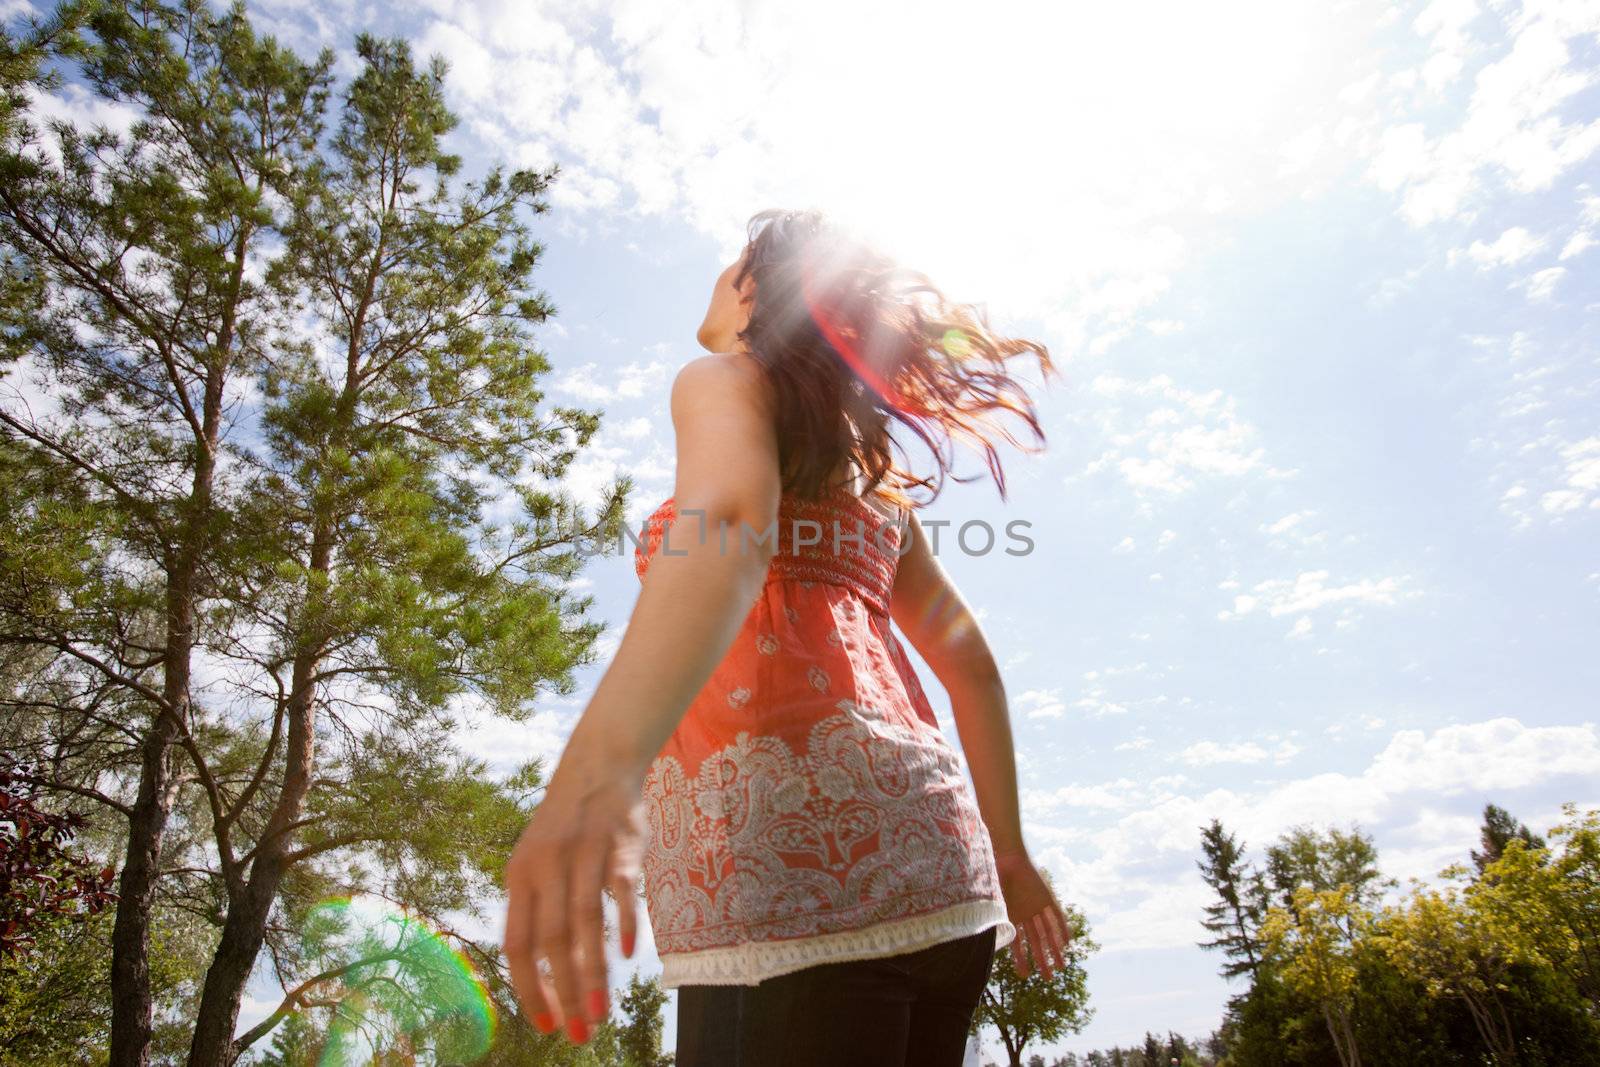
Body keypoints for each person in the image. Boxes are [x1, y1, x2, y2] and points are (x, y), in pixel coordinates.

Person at [503, 208, 1072, 1066]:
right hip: (948, 879)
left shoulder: (722, 380)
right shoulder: (877, 484)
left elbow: (731, 523)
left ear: (753, 291)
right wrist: (1012, 856)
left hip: (783, 887)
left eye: (733, 259)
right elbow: (974, 671)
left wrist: (600, 775)